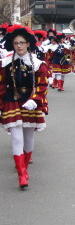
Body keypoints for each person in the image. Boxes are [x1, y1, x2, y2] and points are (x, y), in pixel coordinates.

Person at [0, 25, 49, 188]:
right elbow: (1, 85)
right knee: (16, 137)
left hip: (30, 102)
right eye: (16, 43)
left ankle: (25, 168)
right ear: (12, 44)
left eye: (22, 42)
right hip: (11, 100)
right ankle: (21, 175)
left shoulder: (38, 64)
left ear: (28, 44)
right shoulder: (6, 62)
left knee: (28, 138)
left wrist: (35, 100)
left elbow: (43, 85)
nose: (19, 46)